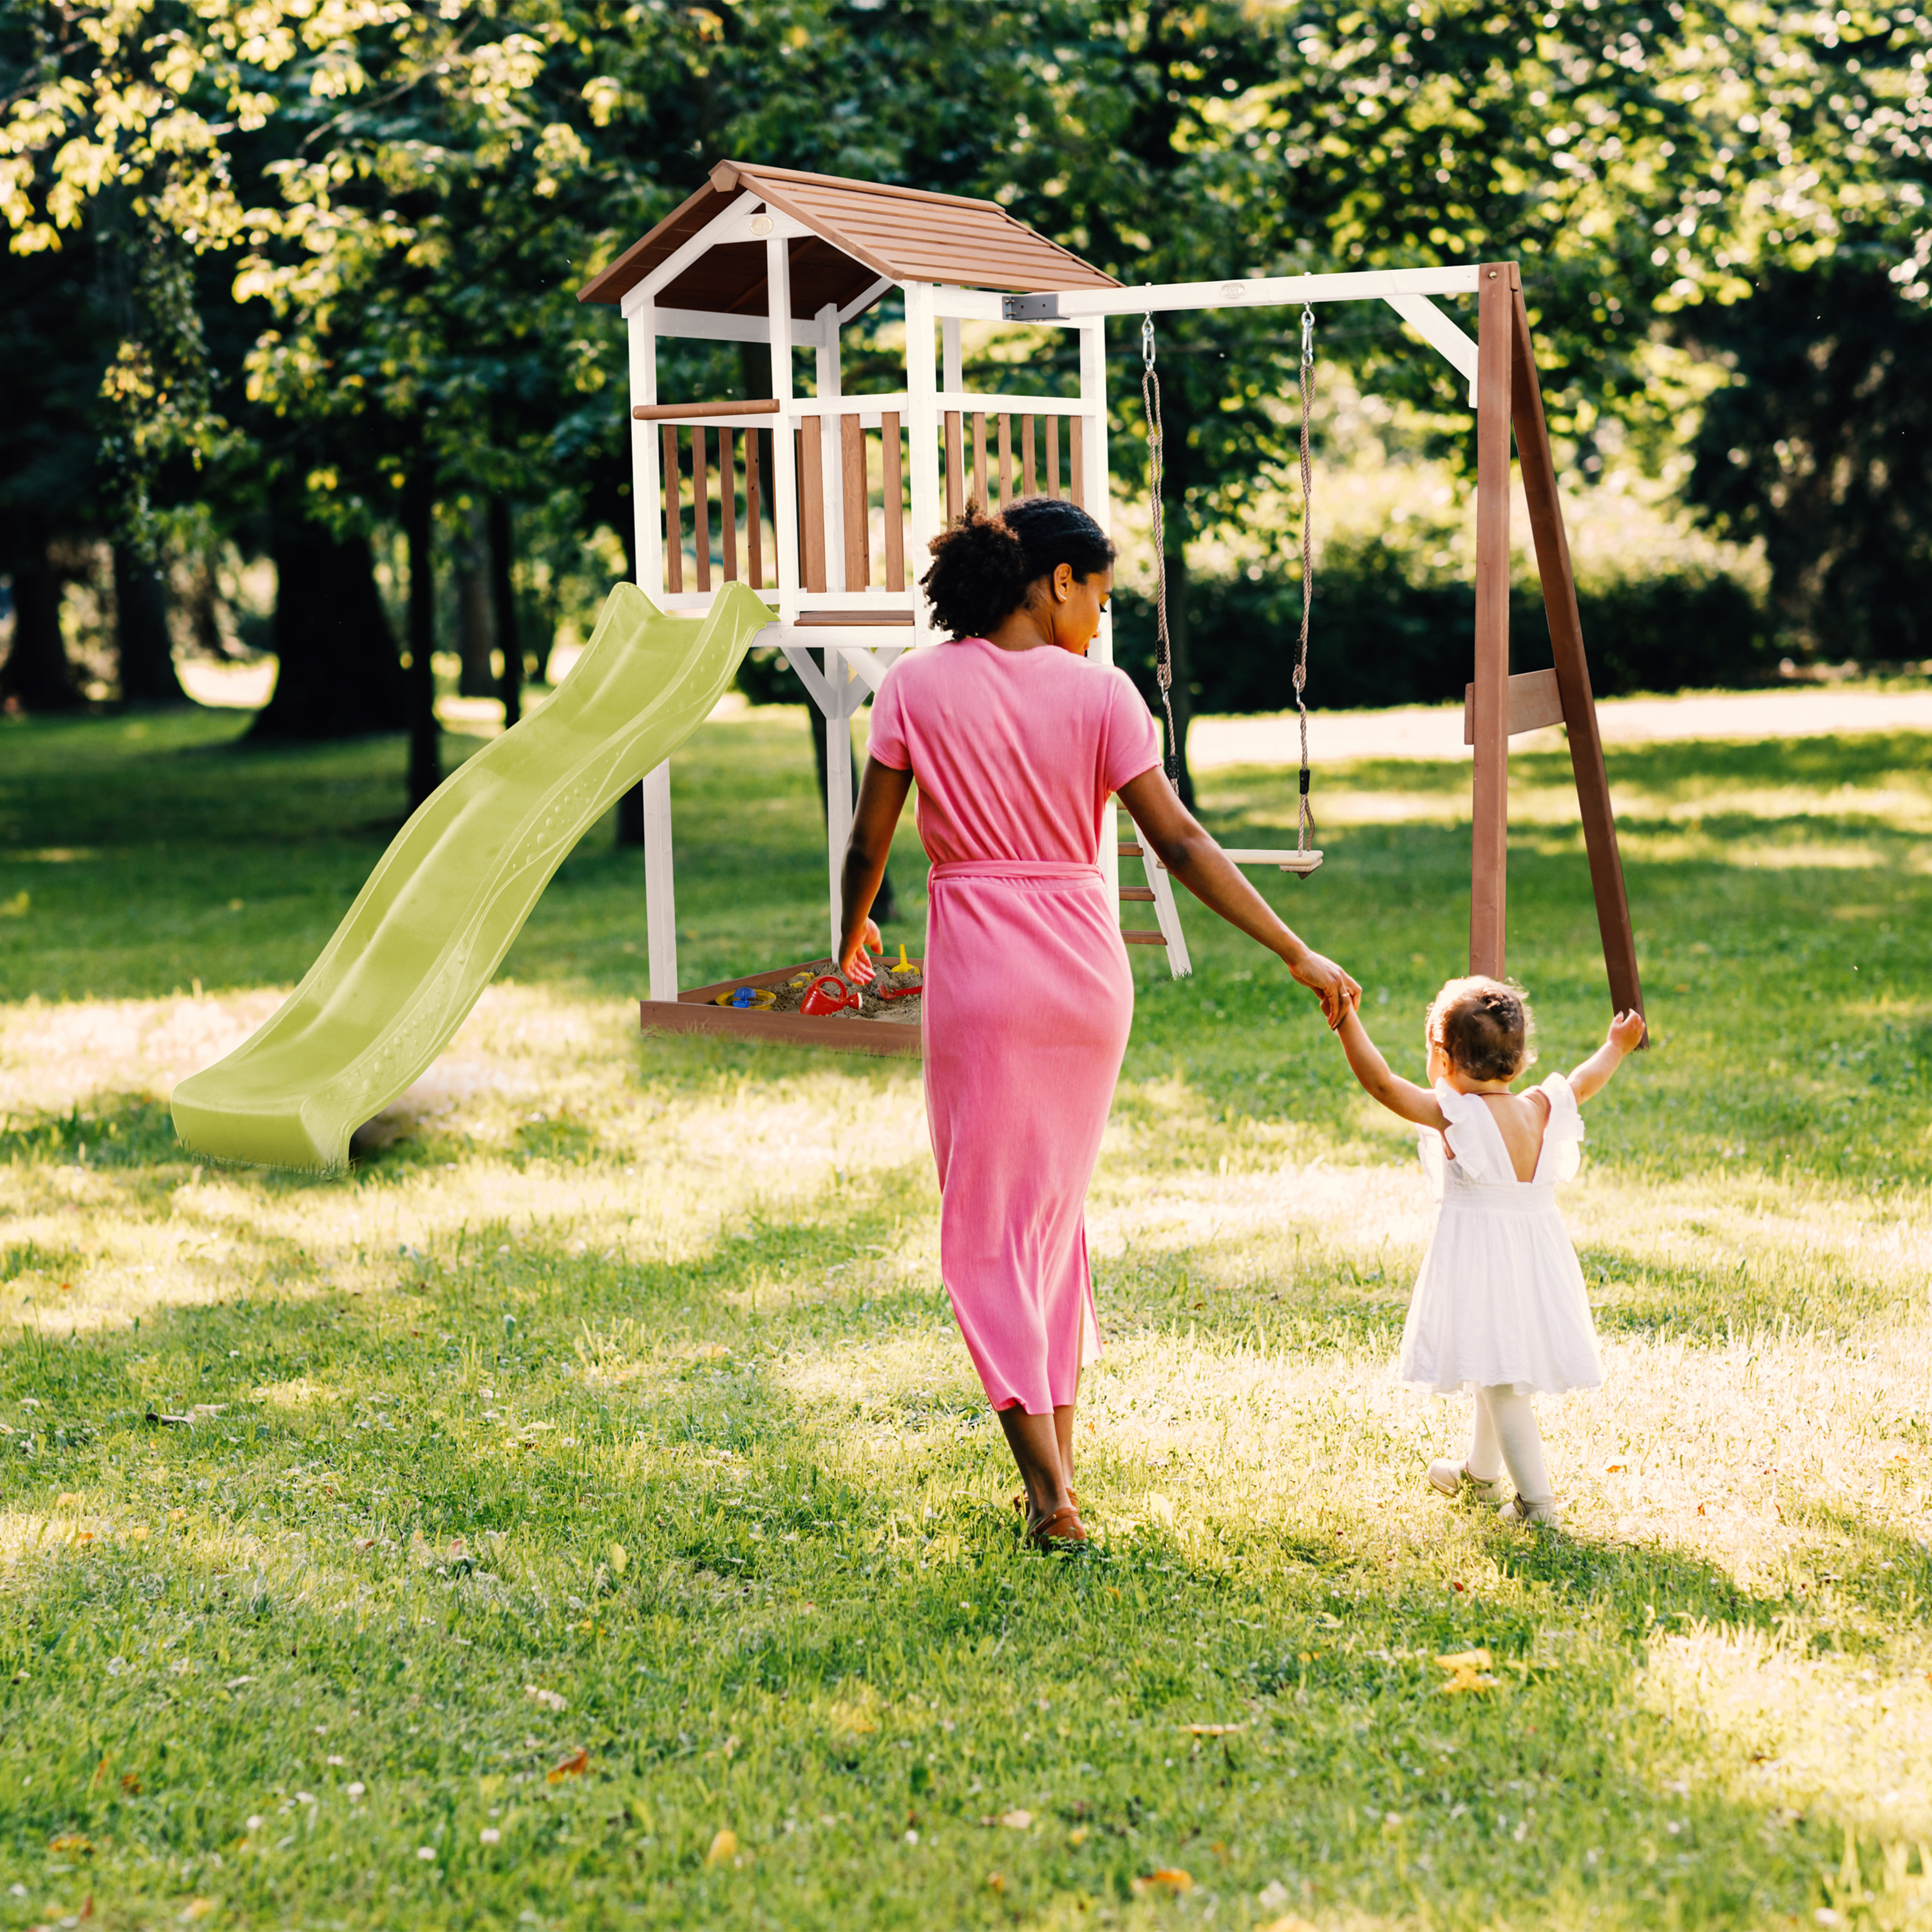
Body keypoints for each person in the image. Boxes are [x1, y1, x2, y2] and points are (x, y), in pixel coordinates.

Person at [835, 499, 1359, 1549]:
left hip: (982, 978)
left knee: (987, 1233)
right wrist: (1292, 948)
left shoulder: (914, 686)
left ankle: (1048, 1496)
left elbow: (869, 845)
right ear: (1054, 580)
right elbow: (1181, 844)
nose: (1100, 620)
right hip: (1084, 979)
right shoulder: (1104, 696)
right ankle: (1058, 1477)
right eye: (1099, 597)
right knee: (1047, 1224)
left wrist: (846, 942)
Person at [1331, 974, 1647, 1525]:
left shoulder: (1457, 1116)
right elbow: (1584, 1079)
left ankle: (1537, 1506)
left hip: (1484, 1263)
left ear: (1443, 1058)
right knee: (1490, 1362)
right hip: (1535, 1261)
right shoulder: (1541, 1106)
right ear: (1520, 1061)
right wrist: (1615, 1046)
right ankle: (1480, 1475)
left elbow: (1382, 1084)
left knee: (1502, 1384)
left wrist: (1345, 1019)